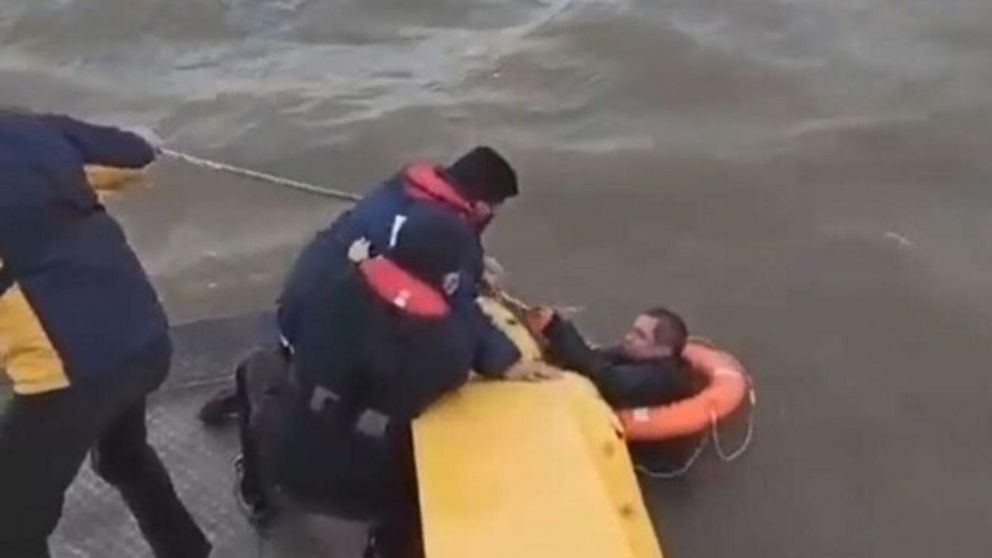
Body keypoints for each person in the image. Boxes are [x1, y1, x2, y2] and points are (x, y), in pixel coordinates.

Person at [0, 110, 211, 558]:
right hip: (144, 336)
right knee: (122, 458)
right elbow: (133, 154)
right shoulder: (26, 126)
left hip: (71, 375)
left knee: (9, 524)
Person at [199, 146, 537, 425]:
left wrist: (472, 266)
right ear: (480, 204)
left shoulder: (401, 191)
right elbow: (454, 302)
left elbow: (429, 253)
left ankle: (244, 398)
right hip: (332, 319)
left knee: (295, 363)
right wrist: (504, 359)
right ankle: (270, 455)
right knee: (327, 387)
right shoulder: (436, 226)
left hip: (304, 294)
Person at [232, 204, 495, 557]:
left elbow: (293, 332)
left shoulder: (336, 287)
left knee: (255, 366)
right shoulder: (450, 347)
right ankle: (384, 546)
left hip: (284, 459)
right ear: (450, 277)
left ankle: (256, 494)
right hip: (372, 493)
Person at [528, 306, 700, 408]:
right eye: (633, 330)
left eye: (640, 335)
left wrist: (556, 329)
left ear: (663, 350)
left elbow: (610, 381)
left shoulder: (661, 377)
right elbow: (593, 358)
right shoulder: (631, 354)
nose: (628, 337)